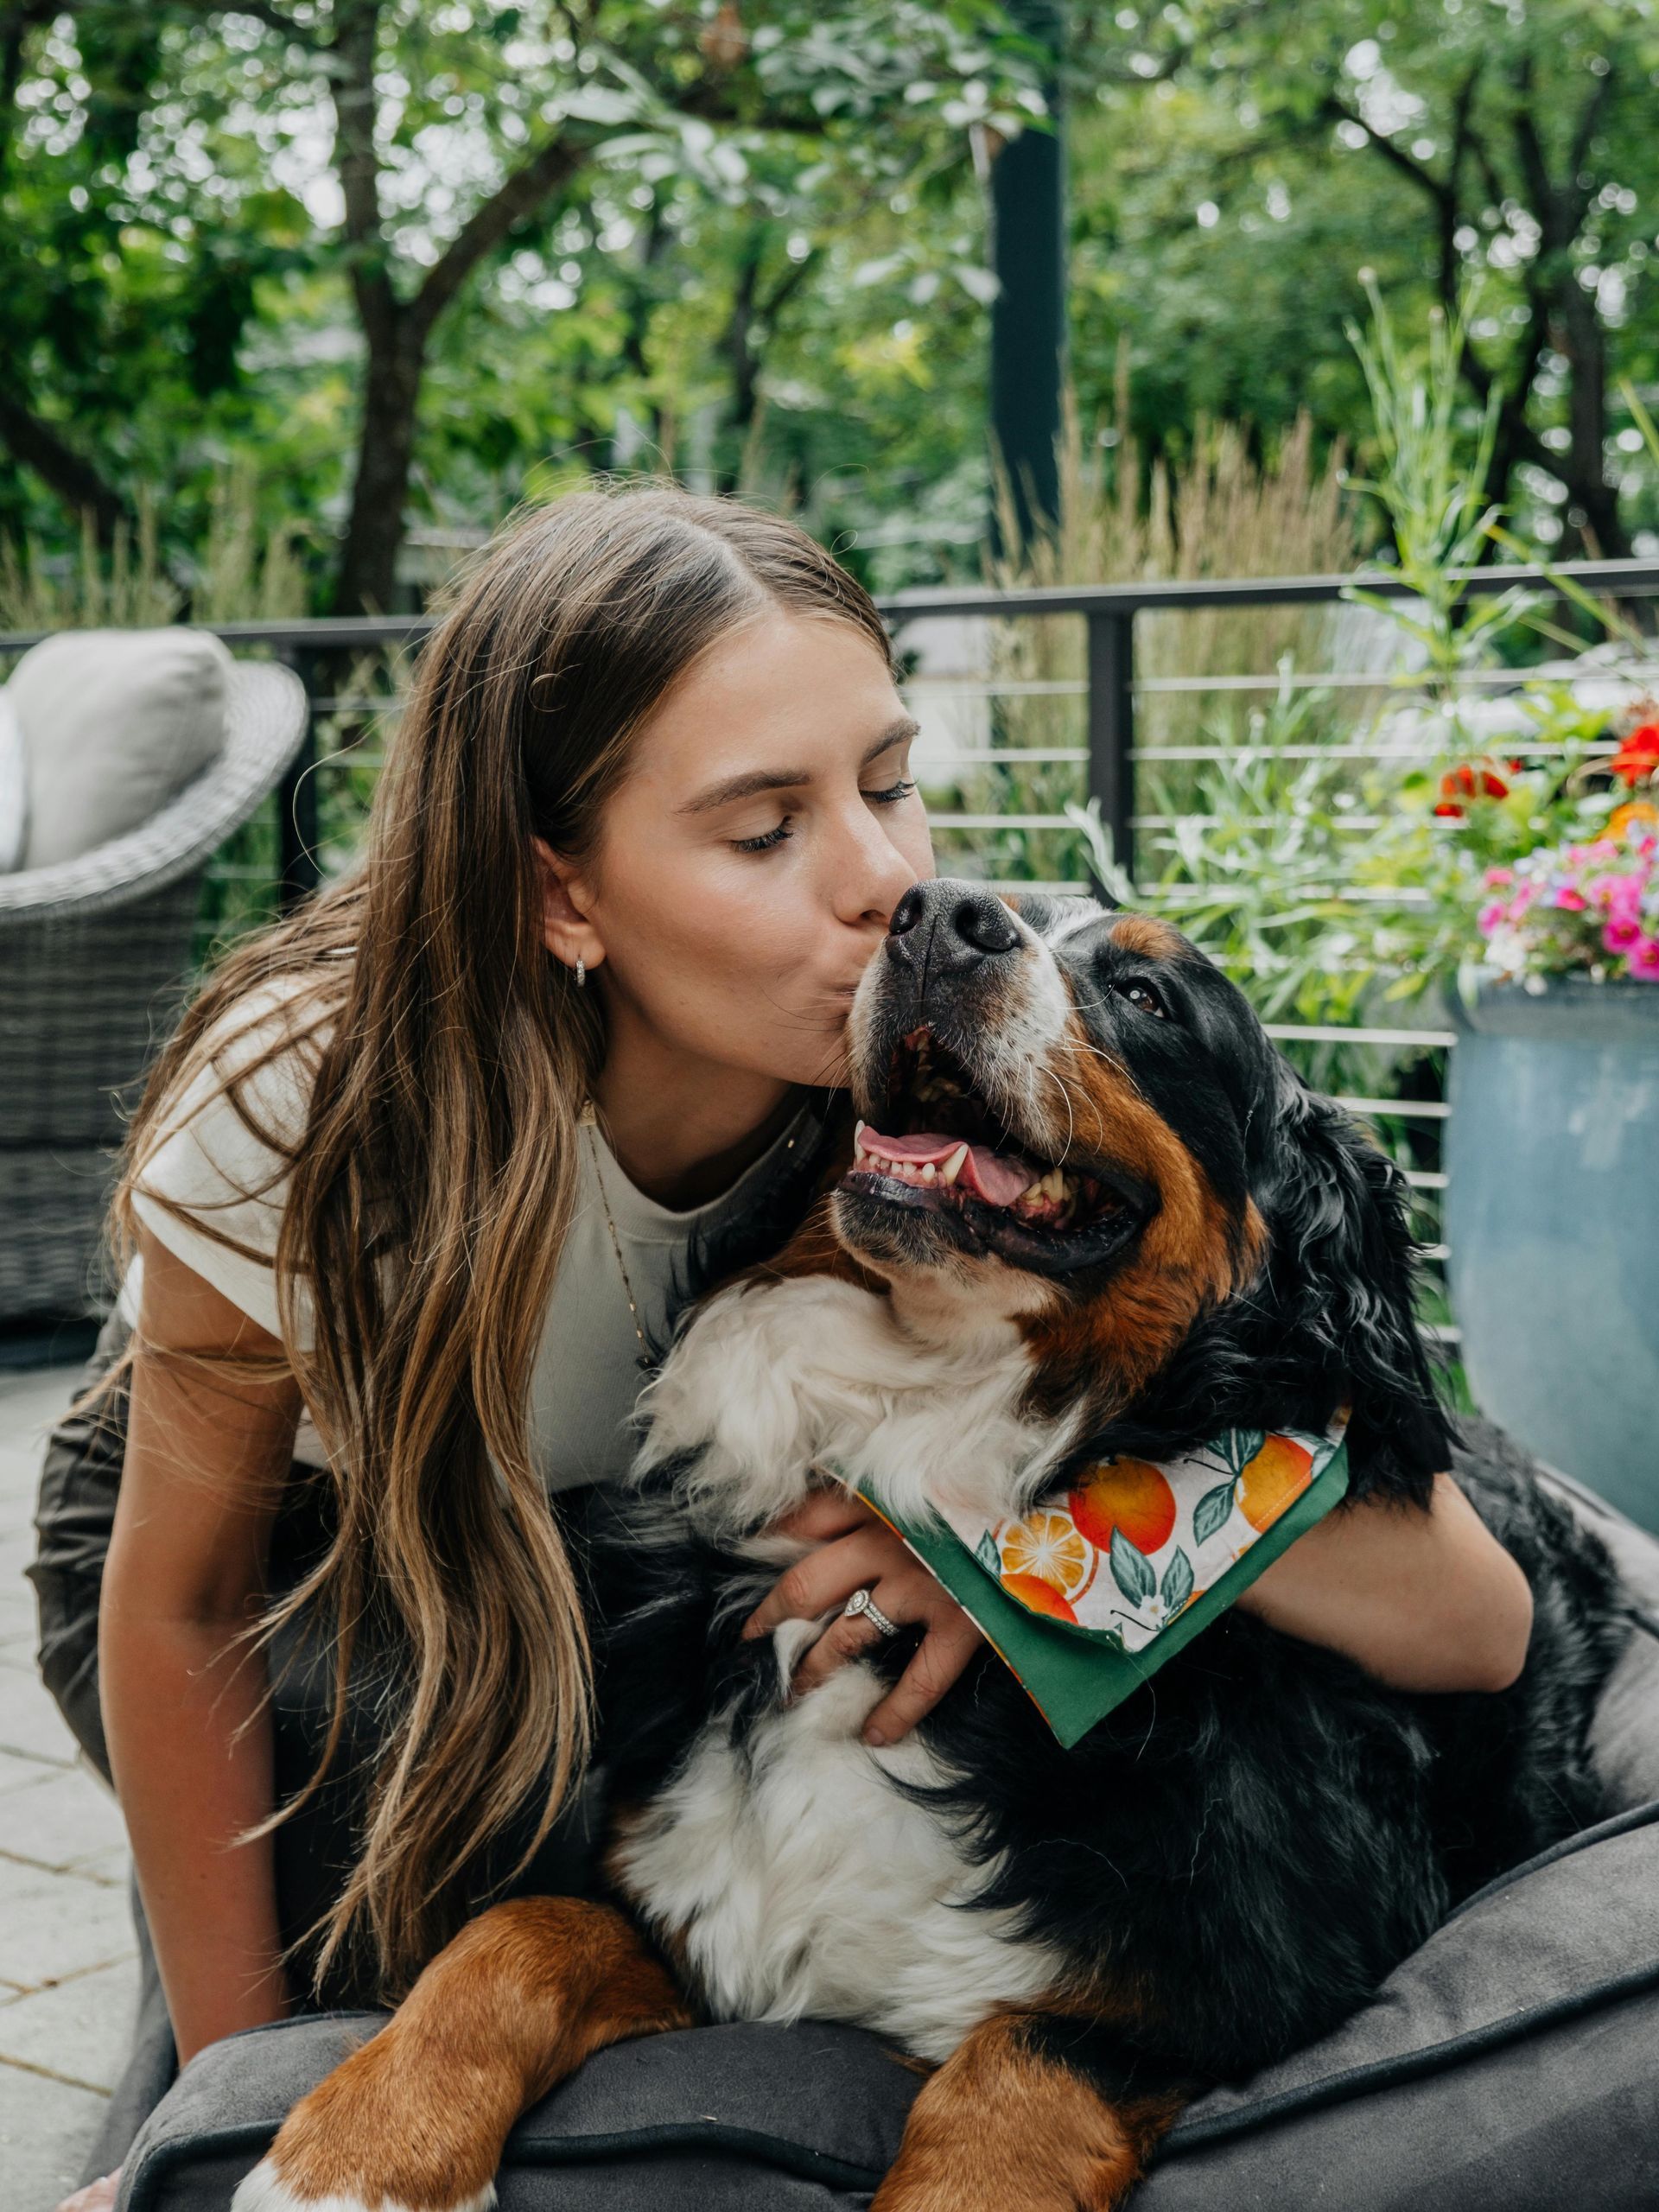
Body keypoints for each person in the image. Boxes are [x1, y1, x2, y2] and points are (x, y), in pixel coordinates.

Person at [30, 486, 1535, 2212]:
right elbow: (181, 1604)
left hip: (602, 1524)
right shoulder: (303, 1098)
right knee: (383, 1937)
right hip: (293, 1534)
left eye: (889, 783)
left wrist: (1009, 1562)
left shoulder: (883, 1087)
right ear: (565, 896)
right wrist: (228, 2092)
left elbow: (1473, 1612)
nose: (895, 882)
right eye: (765, 830)